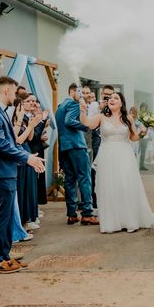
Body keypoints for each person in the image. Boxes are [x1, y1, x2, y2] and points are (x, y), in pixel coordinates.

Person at [79, 92, 154, 232]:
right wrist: (83, 112)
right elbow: (87, 123)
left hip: (125, 156)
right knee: (110, 187)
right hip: (107, 157)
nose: (112, 99)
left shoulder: (128, 118)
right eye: (110, 98)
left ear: (121, 103)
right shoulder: (101, 117)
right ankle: (112, 222)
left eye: (115, 98)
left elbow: (133, 137)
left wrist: (142, 133)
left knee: (125, 185)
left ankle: (129, 219)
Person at [0, 76, 45, 274]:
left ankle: (5, 255)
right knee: (1, 217)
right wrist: (26, 157)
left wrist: (25, 155)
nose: (16, 96)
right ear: (7, 90)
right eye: (15, 91)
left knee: (7, 217)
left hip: (6, 171)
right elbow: (1, 145)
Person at [55, 84, 98, 226]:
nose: (83, 96)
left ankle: (72, 214)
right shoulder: (73, 104)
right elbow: (69, 121)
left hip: (65, 147)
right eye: (80, 93)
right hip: (77, 146)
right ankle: (87, 213)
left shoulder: (61, 106)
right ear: (72, 91)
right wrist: (86, 126)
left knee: (69, 180)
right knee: (84, 178)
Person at [12, 94, 44, 229]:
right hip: (20, 152)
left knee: (30, 185)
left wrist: (33, 123)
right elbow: (17, 139)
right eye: (27, 102)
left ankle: (30, 216)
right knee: (22, 187)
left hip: (27, 149)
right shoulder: (15, 120)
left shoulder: (26, 119)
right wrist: (30, 126)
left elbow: (30, 138)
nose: (31, 104)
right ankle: (24, 219)